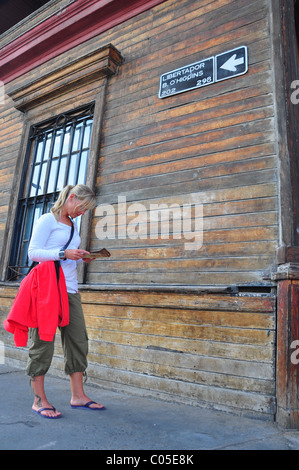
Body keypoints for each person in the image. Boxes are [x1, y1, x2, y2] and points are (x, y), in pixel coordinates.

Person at [27, 184, 104, 419]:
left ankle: (78, 396)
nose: (82, 213)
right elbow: (33, 253)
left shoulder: (73, 225)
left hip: (70, 290)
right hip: (48, 289)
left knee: (78, 340)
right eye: (81, 207)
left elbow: (65, 256)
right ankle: (39, 400)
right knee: (42, 342)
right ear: (71, 198)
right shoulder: (47, 220)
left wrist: (80, 257)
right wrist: (63, 254)